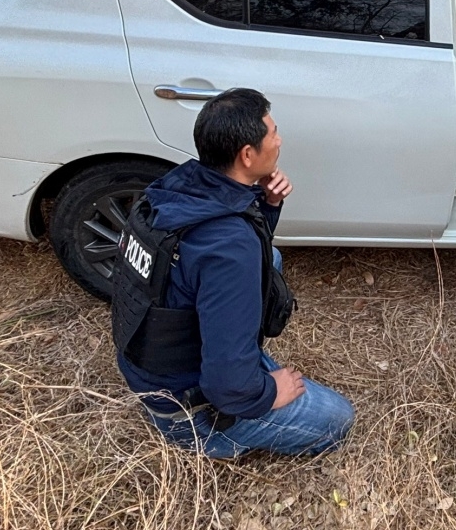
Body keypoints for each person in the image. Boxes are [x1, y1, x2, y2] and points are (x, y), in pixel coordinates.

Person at [111, 88, 354, 457]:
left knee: (268, 258)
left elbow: (234, 243)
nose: (279, 140)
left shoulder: (181, 183)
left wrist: (268, 203)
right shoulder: (228, 250)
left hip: (149, 365)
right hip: (186, 408)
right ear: (247, 155)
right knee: (338, 418)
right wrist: (268, 392)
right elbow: (227, 386)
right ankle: (205, 436)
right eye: (273, 133)